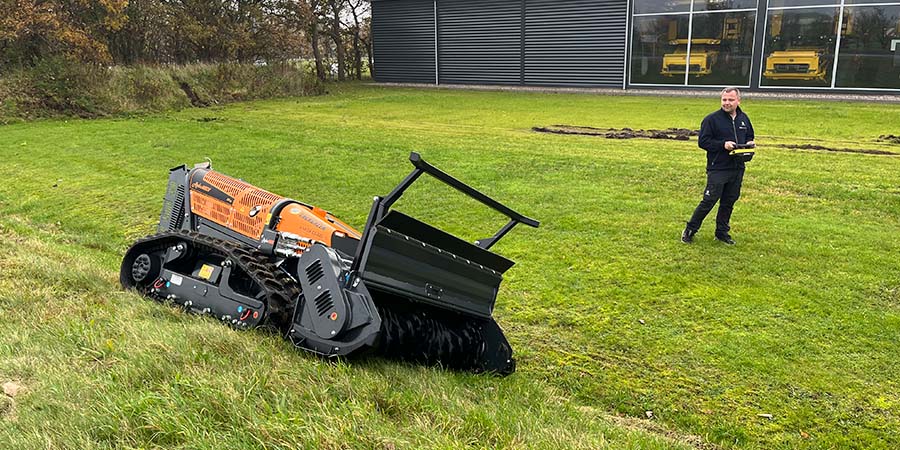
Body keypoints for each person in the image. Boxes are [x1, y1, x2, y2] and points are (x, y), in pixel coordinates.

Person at [682, 87, 755, 245]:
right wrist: (723, 145)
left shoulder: (744, 119)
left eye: (730, 100)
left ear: (738, 101)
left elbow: (750, 135)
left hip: (737, 167)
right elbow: (703, 142)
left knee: (729, 201)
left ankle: (722, 233)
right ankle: (690, 229)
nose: (727, 103)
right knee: (709, 200)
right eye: (724, 100)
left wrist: (750, 143)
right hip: (718, 168)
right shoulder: (712, 119)